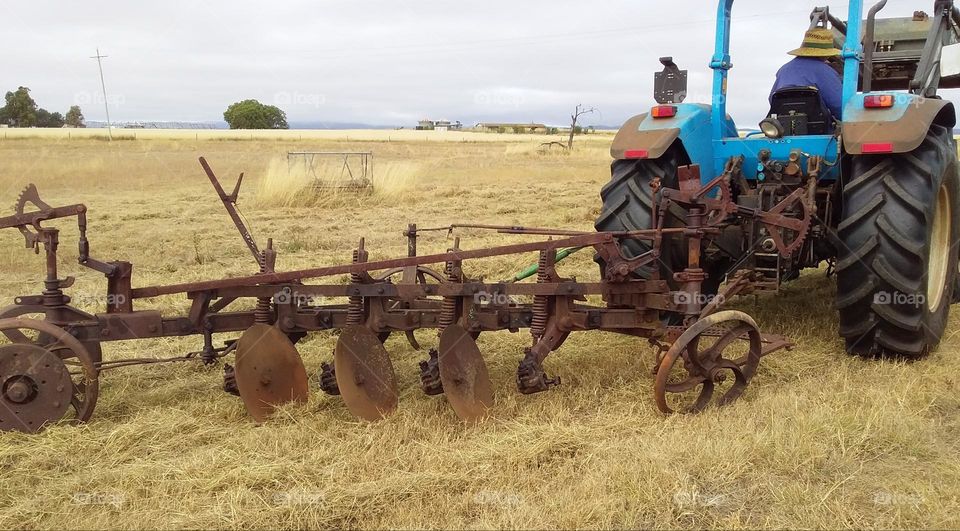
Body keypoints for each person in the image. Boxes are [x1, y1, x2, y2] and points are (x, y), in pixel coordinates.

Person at [770, 28, 844, 120]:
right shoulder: (825, 71)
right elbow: (839, 106)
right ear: (827, 53)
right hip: (818, 126)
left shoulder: (783, 69)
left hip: (783, 124)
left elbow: (772, 99)